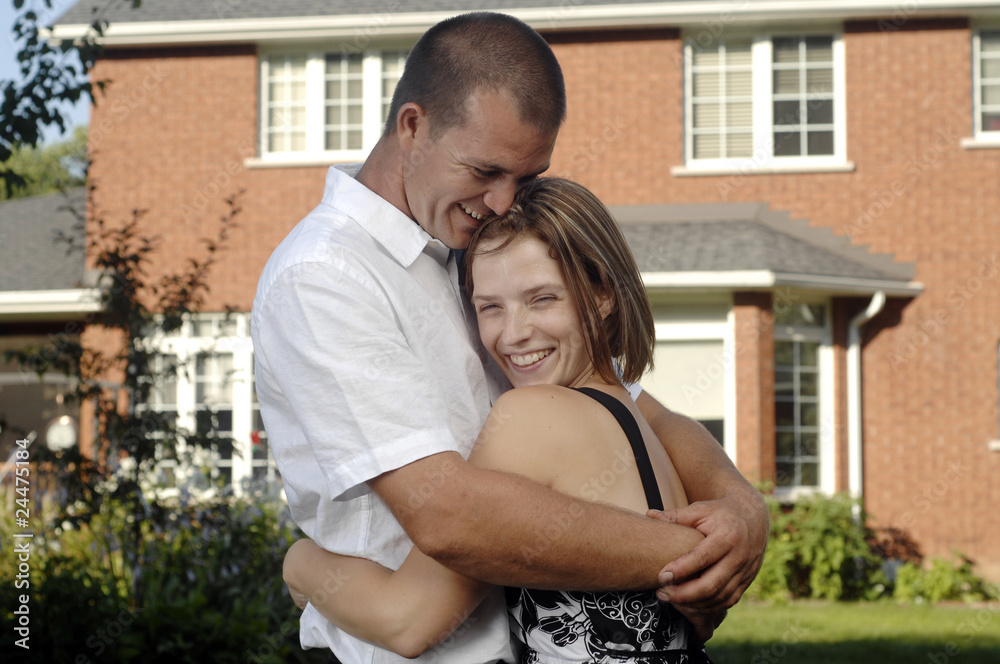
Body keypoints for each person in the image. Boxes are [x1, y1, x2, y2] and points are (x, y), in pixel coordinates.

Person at [250, 11, 767, 664]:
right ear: (413, 127)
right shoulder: (328, 275)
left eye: (525, 178)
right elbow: (450, 518)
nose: (502, 202)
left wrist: (742, 511)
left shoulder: (477, 252)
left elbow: (649, 413)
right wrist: (691, 556)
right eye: (485, 170)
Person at [283, 177, 718, 663]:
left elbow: (408, 620)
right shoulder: (633, 419)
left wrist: (300, 564)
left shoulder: (532, 416)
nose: (513, 335)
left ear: (601, 295)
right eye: (490, 307)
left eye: (542, 299)